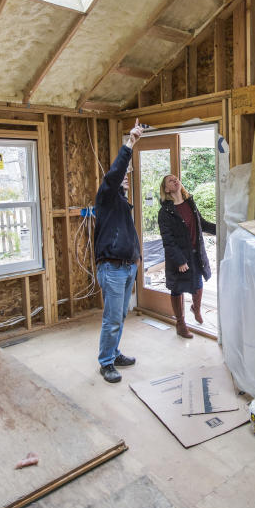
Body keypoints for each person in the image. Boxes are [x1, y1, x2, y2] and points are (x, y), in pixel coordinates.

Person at [93, 119, 144, 383]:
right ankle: (106, 362)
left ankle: (114, 352)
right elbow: (115, 174)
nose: (124, 178)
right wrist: (131, 142)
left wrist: (136, 258)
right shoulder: (106, 197)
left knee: (121, 315)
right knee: (112, 318)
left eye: (127, 176)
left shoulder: (122, 203)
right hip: (112, 267)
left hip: (126, 266)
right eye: (122, 176)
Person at [157, 174, 216, 339]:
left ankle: (195, 308)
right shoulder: (165, 212)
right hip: (179, 258)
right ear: (167, 189)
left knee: (197, 284)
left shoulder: (190, 204)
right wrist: (180, 260)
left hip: (195, 253)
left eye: (176, 178)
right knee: (177, 289)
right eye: (171, 180)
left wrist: (221, 229)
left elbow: (201, 224)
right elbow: (168, 241)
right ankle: (180, 324)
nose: (175, 180)